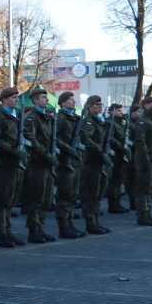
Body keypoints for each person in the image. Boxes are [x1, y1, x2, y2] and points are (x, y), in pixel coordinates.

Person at [0, 87, 28, 248]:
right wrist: (14, 151)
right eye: (13, 97)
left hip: (15, 164)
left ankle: (8, 230)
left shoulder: (16, 117)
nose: (16, 100)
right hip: (5, 163)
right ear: (4, 100)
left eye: (17, 97)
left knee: (11, 199)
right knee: (3, 199)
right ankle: (2, 233)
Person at [22, 88, 57, 244]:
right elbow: (31, 140)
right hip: (37, 163)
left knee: (46, 199)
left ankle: (41, 228)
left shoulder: (47, 118)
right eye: (44, 97)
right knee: (36, 198)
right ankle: (33, 230)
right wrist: (46, 154)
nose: (46, 100)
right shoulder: (32, 118)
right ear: (35, 100)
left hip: (48, 163)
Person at [54, 91, 86, 239]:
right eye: (70, 100)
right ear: (63, 103)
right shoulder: (60, 118)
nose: (74, 102)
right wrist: (68, 149)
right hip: (65, 161)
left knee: (73, 195)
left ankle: (70, 223)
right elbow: (54, 138)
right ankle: (64, 226)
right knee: (65, 195)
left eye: (74, 100)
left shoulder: (74, 119)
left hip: (75, 161)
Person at [79, 95, 111, 234]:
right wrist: (101, 152)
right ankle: (90, 222)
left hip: (100, 161)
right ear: (89, 107)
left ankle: (96, 221)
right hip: (91, 161)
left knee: (99, 193)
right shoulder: (89, 122)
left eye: (101, 104)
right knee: (91, 193)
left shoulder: (100, 122)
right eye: (97, 104)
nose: (100, 106)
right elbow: (87, 139)